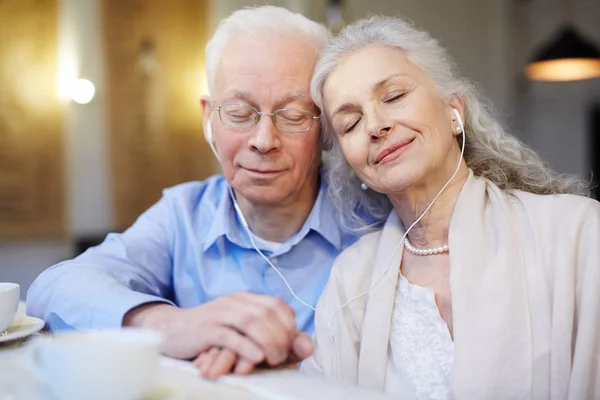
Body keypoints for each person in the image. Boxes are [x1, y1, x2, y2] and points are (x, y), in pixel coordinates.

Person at [27, 6, 365, 379]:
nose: (263, 141)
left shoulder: (370, 220)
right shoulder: (182, 214)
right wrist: (171, 325)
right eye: (239, 113)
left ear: (325, 128)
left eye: (294, 115)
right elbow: (52, 289)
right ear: (209, 119)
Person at [297, 16, 600, 399]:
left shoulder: (577, 234)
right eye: (351, 123)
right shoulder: (350, 280)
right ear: (349, 161)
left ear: (453, 110)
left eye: (393, 97)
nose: (375, 125)